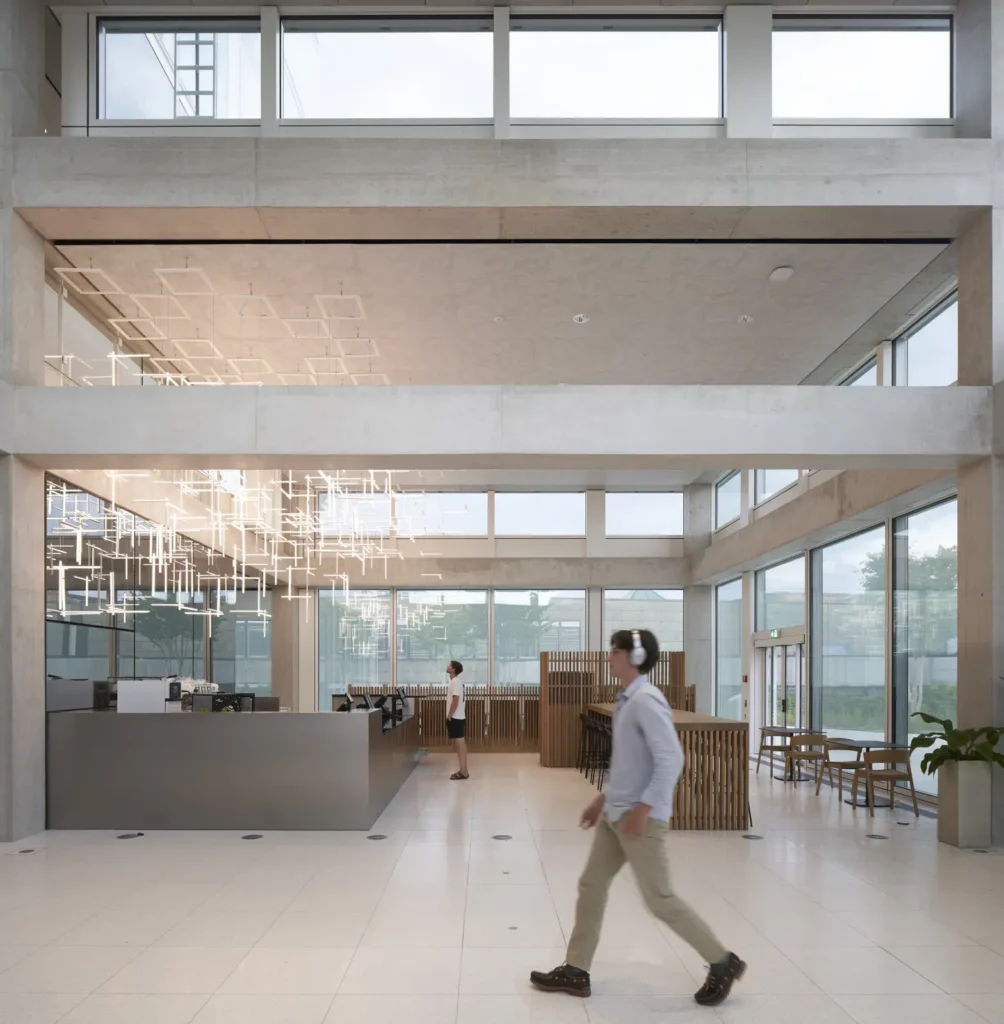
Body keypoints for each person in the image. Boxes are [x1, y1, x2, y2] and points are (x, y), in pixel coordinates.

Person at [530, 629, 745, 1008]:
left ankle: (722, 961)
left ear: (634, 657)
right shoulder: (627, 699)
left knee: (659, 899)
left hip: (639, 819)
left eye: (614, 652)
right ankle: (576, 970)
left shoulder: (647, 700)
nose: (608, 657)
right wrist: (602, 799)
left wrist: (644, 808)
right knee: (591, 885)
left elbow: (672, 759)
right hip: (617, 814)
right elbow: (630, 763)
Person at [446, 659, 469, 780]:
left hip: (456, 717)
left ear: (453, 669)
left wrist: (450, 714)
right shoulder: (457, 682)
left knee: (460, 744)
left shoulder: (455, 682)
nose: (447, 666)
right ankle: (463, 770)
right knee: (460, 744)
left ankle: (463, 771)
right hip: (459, 716)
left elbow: (455, 699)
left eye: (449, 665)